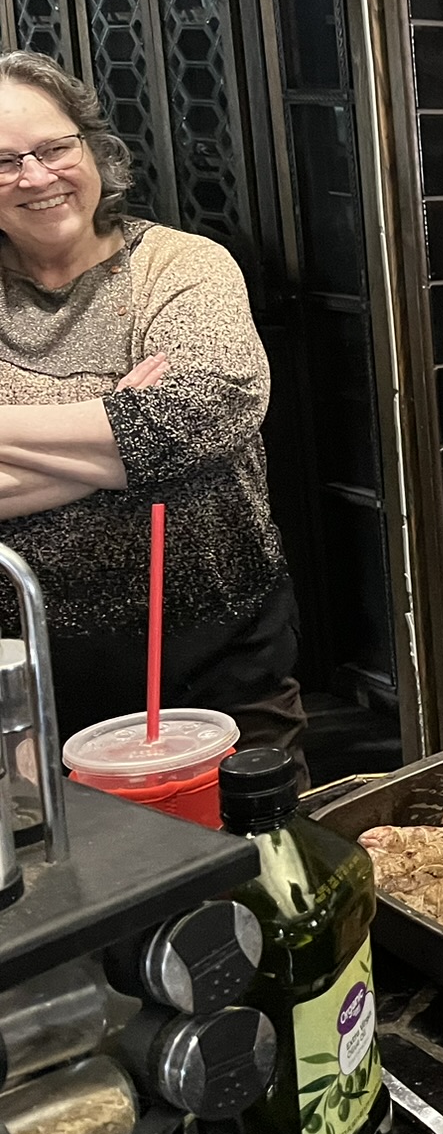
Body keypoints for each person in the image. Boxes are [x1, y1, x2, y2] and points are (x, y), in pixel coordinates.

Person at [0, 50, 306, 763]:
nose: (37, 176)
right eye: (5, 161)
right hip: (29, 670)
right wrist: (123, 428)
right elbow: (161, 441)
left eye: (53, 148)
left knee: (258, 866)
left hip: (220, 653)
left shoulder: (181, 266)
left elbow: (206, 411)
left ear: (92, 148)